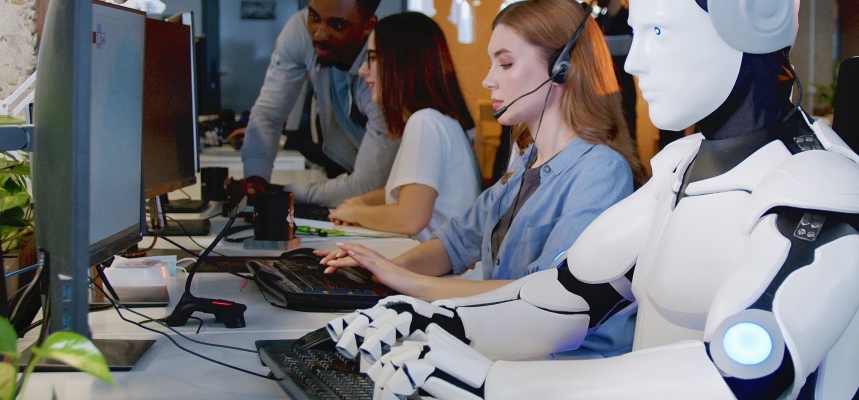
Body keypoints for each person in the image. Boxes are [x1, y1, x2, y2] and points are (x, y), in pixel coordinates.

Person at [323, 1, 859, 399]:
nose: (634, 61)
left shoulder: (823, 192)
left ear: (756, 17)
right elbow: (566, 299)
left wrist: (492, 382)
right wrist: (424, 321)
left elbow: (744, 375)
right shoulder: (680, 167)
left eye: (659, 32)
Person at [316, 0, 647, 356]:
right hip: (508, 351)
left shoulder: (599, 172)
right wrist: (382, 269)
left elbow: (543, 298)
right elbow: (454, 244)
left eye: (505, 63)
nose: (488, 79)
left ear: (562, 69)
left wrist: (414, 284)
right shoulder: (524, 166)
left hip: (561, 370)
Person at [325, 13, 481, 242]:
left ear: (403, 63)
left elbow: (410, 217)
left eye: (373, 58)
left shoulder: (425, 122)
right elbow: (411, 194)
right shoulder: (439, 120)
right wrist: (364, 202)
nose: (362, 71)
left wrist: (356, 213)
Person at [233, 0, 396, 207]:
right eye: (314, 17)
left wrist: (280, 192)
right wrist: (255, 181)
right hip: (355, 175)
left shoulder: (384, 71)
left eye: (337, 25)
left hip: (399, 199)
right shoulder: (301, 30)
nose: (319, 34)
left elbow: (367, 185)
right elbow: (269, 114)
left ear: (368, 25)